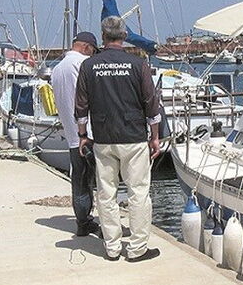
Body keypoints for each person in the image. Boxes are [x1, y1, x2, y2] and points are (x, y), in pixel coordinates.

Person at [74, 16, 162, 262]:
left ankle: (111, 247)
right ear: (124, 36)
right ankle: (137, 248)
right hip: (133, 138)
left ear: (103, 36)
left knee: (106, 193)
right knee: (138, 193)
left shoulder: (89, 66)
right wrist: (155, 137)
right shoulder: (138, 64)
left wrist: (83, 135)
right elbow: (150, 104)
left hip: (103, 139)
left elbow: (81, 106)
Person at [50, 31, 99, 237]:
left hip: (71, 133)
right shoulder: (82, 64)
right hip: (87, 131)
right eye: (93, 52)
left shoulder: (57, 69)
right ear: (87, 47)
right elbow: (91, 95)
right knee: (100, 181)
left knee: (79, 181)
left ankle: (82, 221)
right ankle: (100, 224)